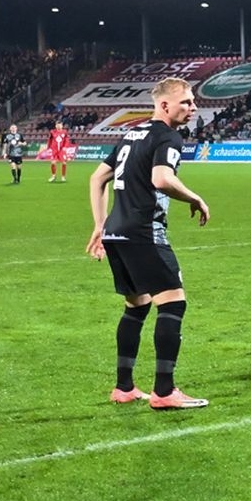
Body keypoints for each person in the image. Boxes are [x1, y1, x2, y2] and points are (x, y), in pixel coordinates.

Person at [85, 77, 212, 411]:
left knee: (137, 305)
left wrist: (99, 224)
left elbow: (98, 178)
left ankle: (124, 387)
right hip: (144, 233)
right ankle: (164, 391)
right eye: (186, 102)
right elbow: (162, 179)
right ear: (164, 105)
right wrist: (195, 197)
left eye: (193, 101)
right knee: (173, 304)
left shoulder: (132, 134)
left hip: (116, 232)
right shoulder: (168, 136)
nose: (193, 107)